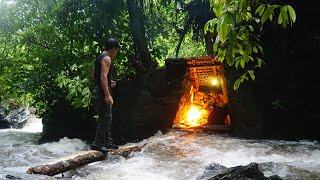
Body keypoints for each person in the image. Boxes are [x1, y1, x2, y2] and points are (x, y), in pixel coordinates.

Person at [91, 38, 120, 153]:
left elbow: (93, 75)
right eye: (116, 50)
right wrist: (107, 95)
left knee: (107, 117)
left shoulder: (99, 57)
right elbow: (103, 77)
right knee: (105, 118)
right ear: (113, 49)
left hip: (98, 91)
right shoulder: (107, 58)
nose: (116, 53)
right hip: (102, 93)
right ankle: (97, 143)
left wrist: (109, 82)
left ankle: (107, 142)